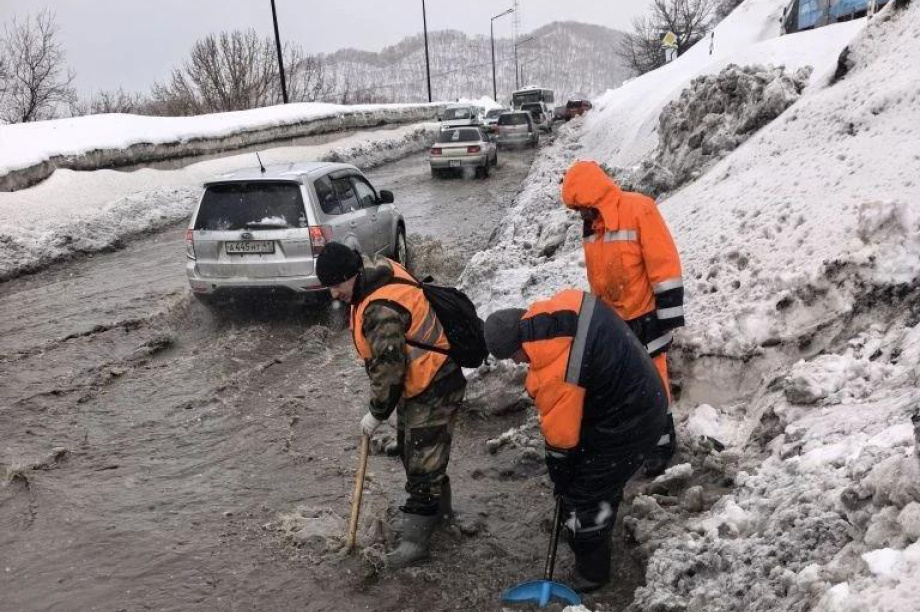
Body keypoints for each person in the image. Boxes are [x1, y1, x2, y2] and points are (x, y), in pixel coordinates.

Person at [484, 290, 668, 592]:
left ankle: (592, 573)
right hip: (631, 394)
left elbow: (560, 443)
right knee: (593, 475)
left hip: (631, 418)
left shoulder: (554, 371)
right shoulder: (558, 312)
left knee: (587, 494)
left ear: (518, 348)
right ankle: (594, 521)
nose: (519, 364)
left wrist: (563, 479)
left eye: (515, 358)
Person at [315, 242, 466, 568]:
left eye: (336, 286)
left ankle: (415, 544)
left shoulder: (378, 309)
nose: (333, 295)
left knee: (423, 466)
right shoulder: (373, 269)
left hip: (434, 383)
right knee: (419, 452)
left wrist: (376, 412)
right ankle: (440, 516)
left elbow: (389, 367)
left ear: (351, 275)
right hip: (424, 382)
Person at [561, 160, 685, 476]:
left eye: (583, 207)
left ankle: (661, 444)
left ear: (596, 197)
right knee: (623, 388)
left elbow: (664, 262)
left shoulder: (639, 209)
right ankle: (634, 442)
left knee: (653, 385)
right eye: (577, 209)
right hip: (615, 322)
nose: (580, 214)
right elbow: (598, 278)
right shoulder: (593, 228)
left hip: (646, 316)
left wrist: (667, 315)